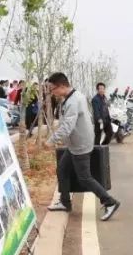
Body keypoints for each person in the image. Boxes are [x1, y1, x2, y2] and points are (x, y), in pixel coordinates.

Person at [45, 73, 120, 221]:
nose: (52, 92)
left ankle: (110, 202)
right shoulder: (74, 95)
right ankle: (65, 202)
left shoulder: (73, 101)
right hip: (75, 144)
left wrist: (51, 141)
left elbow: (67, 126)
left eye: (52, 89)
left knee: (85, 178)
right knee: (62, 169)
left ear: (61, 86)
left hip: (80, 145)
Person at [93, 82, 113, 146]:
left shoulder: (105, 98)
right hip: (100, 121)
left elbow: (107, 108)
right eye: (100, 88)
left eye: (103, 88)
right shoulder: (95, 99)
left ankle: (103, 146)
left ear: (104, 89)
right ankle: (96, 152)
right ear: (97, 90)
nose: (102, 90)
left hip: (107, 120)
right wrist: (99, 119)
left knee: (110, 133)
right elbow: (96, 110)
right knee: (97, 137)